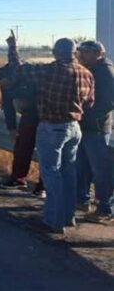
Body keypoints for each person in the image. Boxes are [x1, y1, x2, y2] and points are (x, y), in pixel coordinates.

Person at [15, 36, 94, 233]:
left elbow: (20, 67)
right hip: (74, 127)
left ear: (55, 52)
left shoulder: (50, 70)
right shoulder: (87, 73)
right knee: (68, 173)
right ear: (74, 52)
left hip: (52, 127)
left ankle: (54, 220)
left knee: (51, 173)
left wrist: (12, 48)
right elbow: (90, 102)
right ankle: (69, 217)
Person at [0, 39, 45, 197]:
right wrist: (11, 128)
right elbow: (8, 108)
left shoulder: (27, 76)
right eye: (2, 84)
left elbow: (16, 62)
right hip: (28, 118)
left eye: (6, 82)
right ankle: (18, 178)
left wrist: (12, 46)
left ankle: (42, 186)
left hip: (45, 116)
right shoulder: (7, 89)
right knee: (22, 148)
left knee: (46, 152)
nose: (5, 86)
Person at [75, 40, 114, 223]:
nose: (81, 55)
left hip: (96, 129)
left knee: (101, 170)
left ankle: (105, 208)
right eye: (80, 51)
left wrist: (86, 114)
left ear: (98, 53)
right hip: (86, 127)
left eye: (85, 52)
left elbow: (108, 102)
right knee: (82, 167)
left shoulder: (105, 72)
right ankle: (82, 200)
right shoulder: (92, 69)